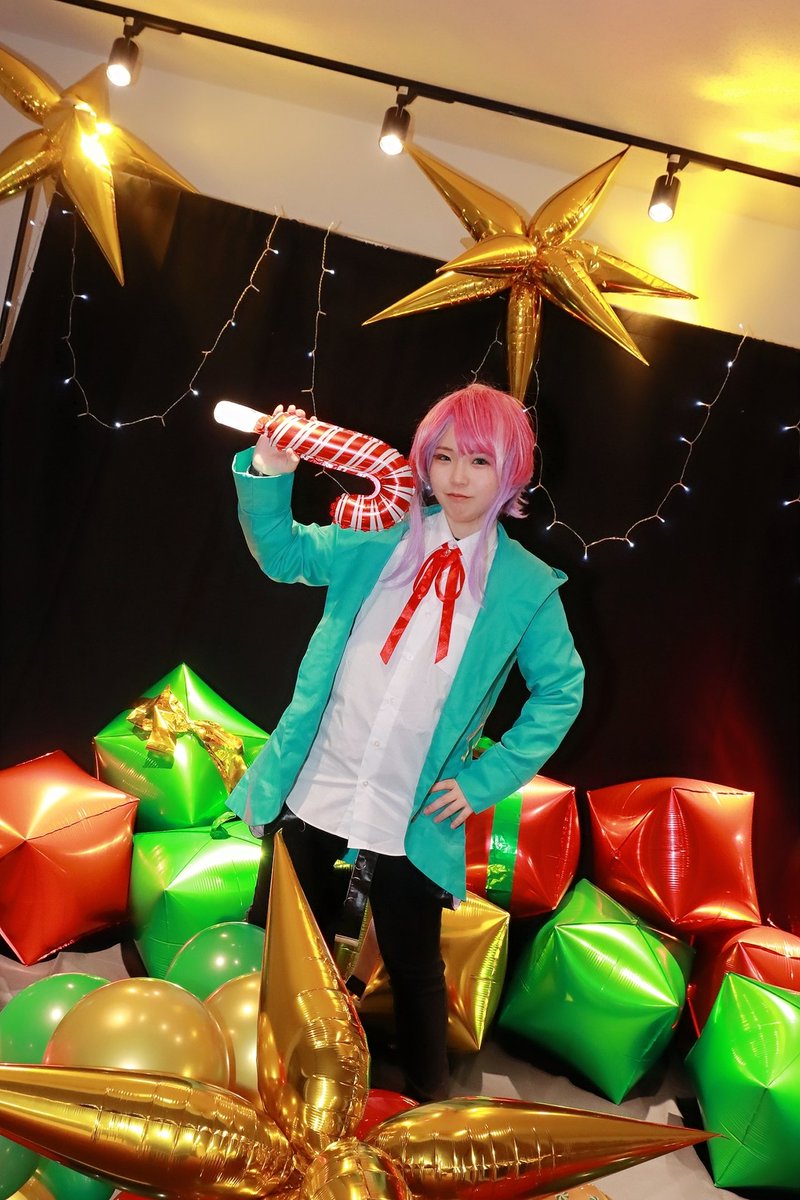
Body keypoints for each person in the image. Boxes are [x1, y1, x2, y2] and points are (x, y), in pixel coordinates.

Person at [227, 382, 584, 1101]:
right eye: (444, 457)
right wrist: (270, 472)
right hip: (320, 779)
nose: (457, 477)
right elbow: (284, 554)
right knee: (284, 943)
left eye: (479, 461)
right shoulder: (382, 531)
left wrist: (483, 782)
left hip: (413, 808)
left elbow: (561, 691)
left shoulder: (525, 585)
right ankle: (266, 1089)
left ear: (512, 471)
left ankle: (428, 1115)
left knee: (416, 968)